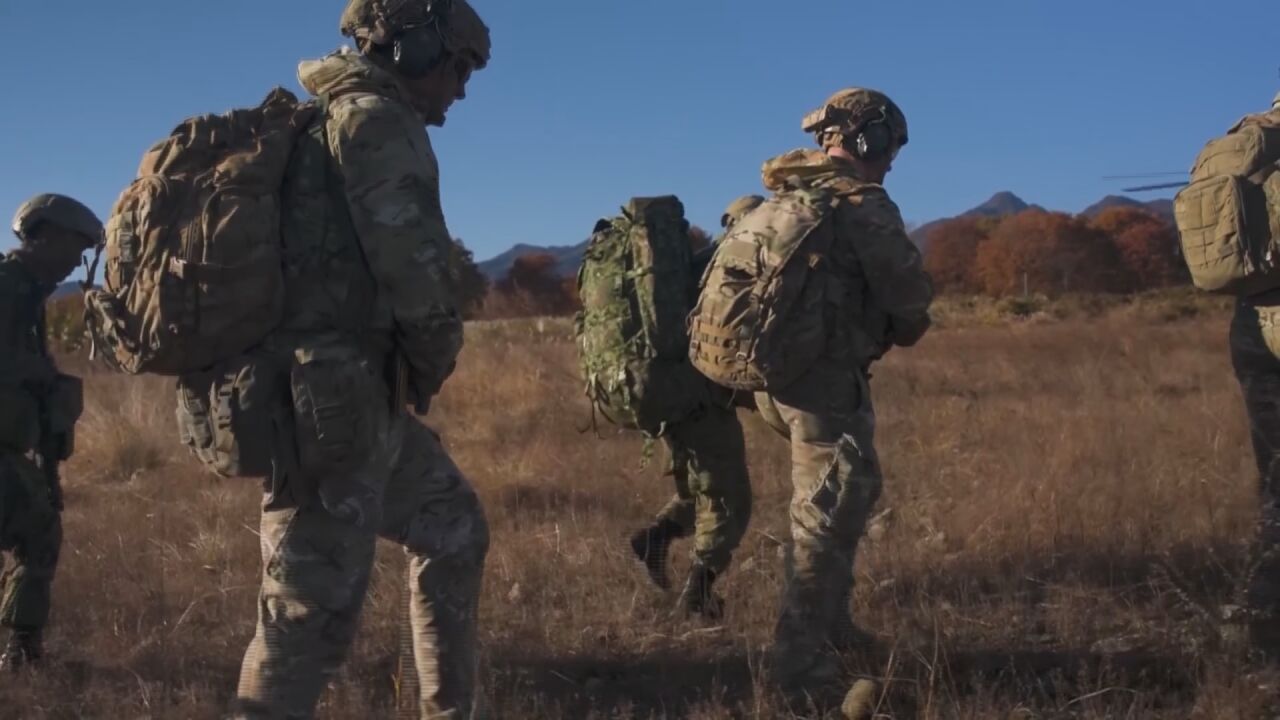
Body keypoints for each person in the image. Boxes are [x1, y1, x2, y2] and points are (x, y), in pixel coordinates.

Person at [231, 1, 493, 717]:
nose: (460, 89)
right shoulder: (377, 120)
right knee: (306, 615)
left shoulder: (331, 117)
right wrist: (437, 353)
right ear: (412, 46)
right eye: (458, 67)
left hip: (347, 400)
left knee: (453, 524)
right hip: (332, 408)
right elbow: (413, 266)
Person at [750, 88, 933, 693]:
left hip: (774, 383)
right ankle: (801, 669)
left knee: (835, 499)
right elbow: (910, 307)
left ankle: (833, 626)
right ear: (867, 138)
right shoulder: (861, 203)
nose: (891, 163)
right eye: (890, 148)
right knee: (827, 514)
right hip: (822, 382)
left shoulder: (784, 195)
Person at [628, 196, 764, 619]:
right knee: (730, 499)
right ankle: (698, 593)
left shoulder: (691, 265)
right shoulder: (731, 265)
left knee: (698, 488)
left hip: (667, 391)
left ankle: (655, 538)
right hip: (696, 397)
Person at [0, 193, 99, 671]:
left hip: (12, 444)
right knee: (38, 533)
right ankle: (22, 652)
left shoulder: (26, 291)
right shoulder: (7, 287)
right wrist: (35, 375)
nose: (74, 262)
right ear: (47, 235)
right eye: (73, 248)